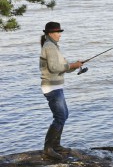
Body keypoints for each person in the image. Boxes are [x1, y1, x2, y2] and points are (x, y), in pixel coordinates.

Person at [39, 22, 83, 159]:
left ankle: (56, 145)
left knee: (64, 115)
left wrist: (75, 66)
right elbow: (54, 68)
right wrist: (72, 65)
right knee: (60, 116)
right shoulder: (50, 47)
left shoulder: (53, 46)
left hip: (56, 86)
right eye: (58, 32)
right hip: (51, 87)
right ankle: (48, 148)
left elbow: (61, 67)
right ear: (51, 34)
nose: (60, 35)